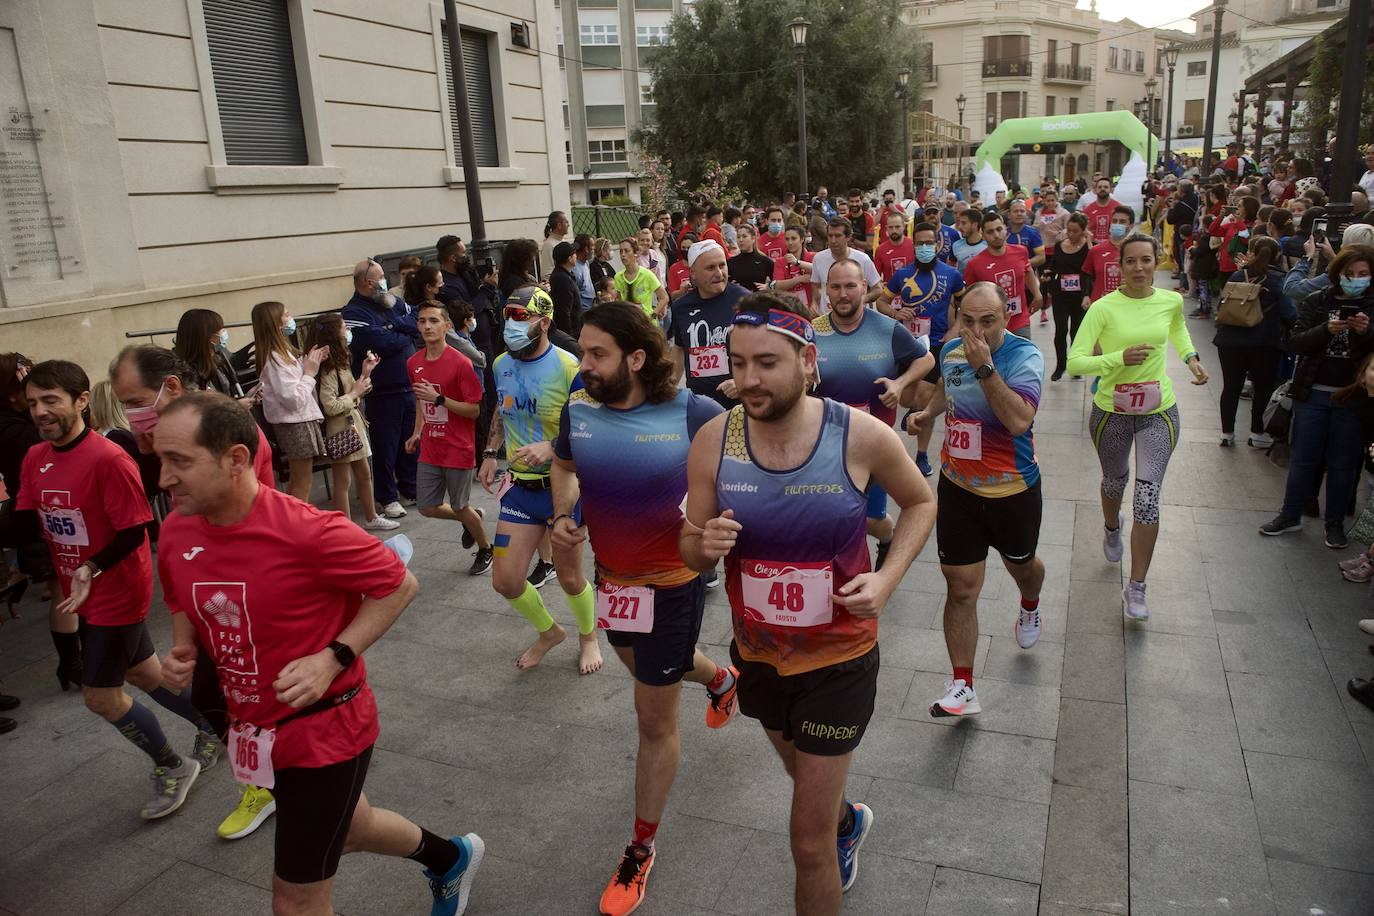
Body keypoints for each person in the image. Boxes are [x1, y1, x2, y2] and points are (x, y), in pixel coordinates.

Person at [152, 392, 484, 916]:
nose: (164, 478)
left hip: (322, 732)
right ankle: (451, 858)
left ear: (236, 459)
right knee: (353, 828)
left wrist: (332, 656)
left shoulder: (309, 529)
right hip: (246, 723)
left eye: (179, 461)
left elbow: (399, 586)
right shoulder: (177, 529)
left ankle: (450, 859)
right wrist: (184, 647)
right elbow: (181, 596)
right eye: (160, 460)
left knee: (296, 903)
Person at [679, 292, 934, 914]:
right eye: (738, 364)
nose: (748, 380)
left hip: (839, 658)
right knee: (804, 778)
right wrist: (703, 544)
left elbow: (921, 502)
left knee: (806, 839)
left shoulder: (861, 435)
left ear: (807, 360)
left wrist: (887, 579)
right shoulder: (715, 439)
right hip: (759, 655)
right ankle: (847, 819)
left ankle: (833, 832)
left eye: (766, 363)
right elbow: (690, 551)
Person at [549, 302, 740, 915]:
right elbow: (565, 464)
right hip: (616, 583)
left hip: (674, 583)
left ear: (636, 357)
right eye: (582, 351)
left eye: (597, 353)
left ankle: (641, 847)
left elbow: (745, 472)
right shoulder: (579, 408)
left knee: (652, 718)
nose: (585, 365)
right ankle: (720, 678)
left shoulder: (693, 413)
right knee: (648, 668)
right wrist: (564, 513)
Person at [19, 360, 218, 819]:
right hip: (80, 593)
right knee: (146, 675)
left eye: (51, 400)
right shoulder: (35, 457)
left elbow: (136, 530)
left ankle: (172, 765)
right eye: (32, 403)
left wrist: (91, 566)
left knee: (100, 697)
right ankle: (215, 721)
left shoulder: (108, 458)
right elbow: (30, 522)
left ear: (82, 401)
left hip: (116, 592)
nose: (41, 411)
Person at [905, 282, 1047, 717]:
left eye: (988, 321)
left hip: (1013, 491)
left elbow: (1019, 420)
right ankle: (963, 685)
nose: (976, 330)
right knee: (960, 585)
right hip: (959, 487)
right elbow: (948, 389)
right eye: (968, 320)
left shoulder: (1025, 357)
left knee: (1022, 566)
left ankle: (1030, 604)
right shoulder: (951, 351)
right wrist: (928, 413)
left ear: (1007, 317)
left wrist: (985, 368)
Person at [1068, 233, 1209, 620]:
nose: (1139, 268)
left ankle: (1137, 587)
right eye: (1131, 261)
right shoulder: (1103, 308)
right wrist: (1116, 358)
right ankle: (1112, 527)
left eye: (1146, 260)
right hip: (1112, 411)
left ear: (1156, 260)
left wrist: (1191, 358)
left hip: (1158, 411)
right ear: (1119, 266)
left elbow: (1177, 329)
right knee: (1115, 482)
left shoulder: (1171, 300)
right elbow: (1076, 360)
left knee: (1147, 496)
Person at [478, 286, 604, 674]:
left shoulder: (571, 368)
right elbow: (502, 409)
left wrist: (553, 446)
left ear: (544, 321)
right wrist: (489, 452)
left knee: (569, 578)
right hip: (519, 487)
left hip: (563, 490)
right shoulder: (501, 364)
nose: (511, 324)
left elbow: (593, 425)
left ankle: (588, 637)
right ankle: (549, 631)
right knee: (506, 581)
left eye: (521, 316)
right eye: (507, 315)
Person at [813, 259, 932, 570]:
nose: (843, 293)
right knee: (831, 513)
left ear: (864, 288)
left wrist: (900, 382)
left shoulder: (887, 329)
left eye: (850, 285)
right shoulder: (814, 330)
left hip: (875, 446)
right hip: (826, 445)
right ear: (827, 290)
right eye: (836, 286)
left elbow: (927, 360)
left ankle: (887, 536)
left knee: (871, 518)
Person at [1260, 244, 1374, 547]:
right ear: (1339, 274)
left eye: (1363, 274)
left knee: (1343, 463)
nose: (1356, 279)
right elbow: (1296, 342)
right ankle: (1290, 514)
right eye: (1350, 274)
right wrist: (1327, 330)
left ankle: (1334, 523)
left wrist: (1365, 332)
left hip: (1352, 398)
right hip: (1312, 393)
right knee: (1303, 459)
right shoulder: (1318, 300)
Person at [1, 351, 78, 686]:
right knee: (63, 590)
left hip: (43, 513)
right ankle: (72, 665)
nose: (40, 410)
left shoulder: (16, 425)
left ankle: (75, 663)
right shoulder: (17, 432)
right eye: (32, 399)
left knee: (66, 588)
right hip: (38, 514)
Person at [406, 301, 492, 575]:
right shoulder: (413, 362)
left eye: (433, 320)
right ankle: (473, 518)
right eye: (422, 321)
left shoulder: (460, 363)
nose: (427, 326)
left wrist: (440, 399)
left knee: (459, 505)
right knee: (427, 507)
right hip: (431, 446)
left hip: (458, 445)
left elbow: (474, 410)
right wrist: (417, 432)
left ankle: (485, 548)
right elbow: (422, 402)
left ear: (447, 326)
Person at [879, 222, 965, 476]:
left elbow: (965, 303)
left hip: (937, 344)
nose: (926, 247)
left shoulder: (952, 274)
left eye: (930, 243)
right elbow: (881, 302)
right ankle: (913, 412)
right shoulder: (902, 275)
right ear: (913, 245)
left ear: (938, 245)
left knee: (926, 397)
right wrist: (896, 312)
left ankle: (921, 454)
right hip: (908, 343)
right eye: (921, 243)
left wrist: (955, 329)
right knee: (907, 399)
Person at [343, 259, 423, 518]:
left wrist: (394, 326)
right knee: (385, 447)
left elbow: (416, 319)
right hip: (382, 390)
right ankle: (387, 496)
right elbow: (378, 342)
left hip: (408, 385)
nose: (385, 281)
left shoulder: (390, 302)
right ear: (368, 282)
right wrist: (402, 332)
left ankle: (410, 487)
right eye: (380, 277)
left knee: (410, 441)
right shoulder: (354, 312)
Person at [305, 314, 397, 531]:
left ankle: (371, 516)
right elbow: (331, 406)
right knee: (343, 481)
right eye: (343, 327)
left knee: (364, 474)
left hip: (352, 424)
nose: (347, 331)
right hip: (341, 427)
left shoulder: (340, 362)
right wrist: (355, 392)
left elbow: (351, 393)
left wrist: (365, 375)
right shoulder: (328, 368)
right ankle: (346, 526)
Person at [1214, 236, 1293, 448]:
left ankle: (1226, 433)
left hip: (1229, 340)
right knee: (1263, 387)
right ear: (1277, 255)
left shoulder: (1238, 274)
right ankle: (1257, 433)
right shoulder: (1278, 279)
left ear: (1251, 253)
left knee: (1230, 386)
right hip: (1263, 341)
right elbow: (1289, 312)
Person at [251, 301, 327, 503]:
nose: (290, 317)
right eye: (286, 315)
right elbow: (293, 399)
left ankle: (294, 522)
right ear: (275, 323)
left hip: (300, 421)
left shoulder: (283, 353)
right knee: (303, 482)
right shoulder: (275, 358)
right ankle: (297, 526)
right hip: (295, 424)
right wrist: (310, 373)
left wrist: (312, 361)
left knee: (298, 479)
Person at [962, 211, 1042, 340]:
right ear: (983, 235)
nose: (996, 235)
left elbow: (1027, 271)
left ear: (1006, 229)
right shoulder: (974, 264)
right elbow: (969, 296)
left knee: (1023, 357)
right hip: (990, 326)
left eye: (999, 229)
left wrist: (1037, 294)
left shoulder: (1021, 251)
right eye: (990, 232)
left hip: (1019, 321)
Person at [1044, 212, 1092, 381]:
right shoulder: (1059, 245)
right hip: (1061, 294)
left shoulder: (1088, 247)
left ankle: (1075, 364)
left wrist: (1088, 294)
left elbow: (1091, 268)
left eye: (1075, 231)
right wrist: (1049, 273)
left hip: (1080, 295)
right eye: (1069, 230)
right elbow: (1055, 266)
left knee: (1076, 332)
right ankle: (1060, 365)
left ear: (1083, 231)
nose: (1071, 234)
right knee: (1061, 330)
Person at [809, 218, 881, 313]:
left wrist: (861, 299)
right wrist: (814, 303)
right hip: (828, 318)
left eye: (838, 236)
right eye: (830, 236)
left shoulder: (863, 259)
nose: (833, 240)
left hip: (857, 318)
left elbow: (878, 289)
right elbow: (816, 286)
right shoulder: (818, 258)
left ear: (849, 237)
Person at [173, 308, 247, 400]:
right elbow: (204, 407)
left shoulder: (216, 359)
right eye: (219, 330)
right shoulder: (186, 373)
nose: (224, 333)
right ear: (205, 336)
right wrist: (237, 405)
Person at [1083, 206, 1135, 307]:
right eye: (1114, 221)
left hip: (1127, 305)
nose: (1117, 224)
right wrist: (1086, 295)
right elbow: (1086, 274)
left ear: (1131, 225)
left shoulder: (1136, 250)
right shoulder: (1096, 250)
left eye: (1122, 221)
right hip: (1100, 305)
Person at [614, 237, 668, 320]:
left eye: (627, 251)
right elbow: (619, 301)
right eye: (621, 251)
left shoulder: (647, 274)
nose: (623, 255)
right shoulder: (618, 277)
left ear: (636, 253)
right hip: (628, 323)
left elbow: (664, 297)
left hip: (646, 324)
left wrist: (653, 315)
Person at [772, 226, 816, 314]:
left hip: (811, 308)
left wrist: (797, 262)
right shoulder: (780, 261)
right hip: (789, 307)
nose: (790, 242)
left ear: (802, 239)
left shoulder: (813, 257)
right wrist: (799, 279)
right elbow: (778, 286)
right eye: (787, 239)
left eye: (793, 238)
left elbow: (820, 272)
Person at [548, 241, 582, 338]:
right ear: (569, 258)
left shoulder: (566, 275)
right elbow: (564, 311)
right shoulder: (562, 279)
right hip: (571, 332)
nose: (576, 256)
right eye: (574, 254)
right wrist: (568, 337)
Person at [727, 223, 774, 291]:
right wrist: (730, 286)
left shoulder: (764, 261)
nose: (741, 240)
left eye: (744, 236)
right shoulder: (731, 262)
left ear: (753, 238)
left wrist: (768, 286)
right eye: (738, 237)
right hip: (738, 300)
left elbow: (778, 280)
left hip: (757, 299)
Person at [873, 210, 915, 285]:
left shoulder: (913, 245)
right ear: (886, 228)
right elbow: (875, 279)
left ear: (903, 227)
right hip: (890, 295)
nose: (894, 230)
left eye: (897, 227)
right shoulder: (880, 250)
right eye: (891, 227)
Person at [1080, 176, 1121, 243]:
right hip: (1093, 246)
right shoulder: (1088, 210)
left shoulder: (1118, 208)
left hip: (1113, 245)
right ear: (1095, 189)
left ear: (1111, 189)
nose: (1102, 189)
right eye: (1100, 187)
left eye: (1105, 187)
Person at [950, 207, 988, 273]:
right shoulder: (956, 246)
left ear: (975, 225)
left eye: (964, 223)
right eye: (959, 223)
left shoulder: (988, 245)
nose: (960, 227)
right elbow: (950, 266)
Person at [540, 210, 569, 281]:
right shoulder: (549, 245)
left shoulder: (563, 241)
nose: (568, 225)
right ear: (559, 225)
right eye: (566, 222)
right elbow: (547, 273)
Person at [572, 233, 597, 312]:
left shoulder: (586, 263)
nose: (594, 249)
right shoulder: (575, 270)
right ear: (586, 248)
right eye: (592, 246)